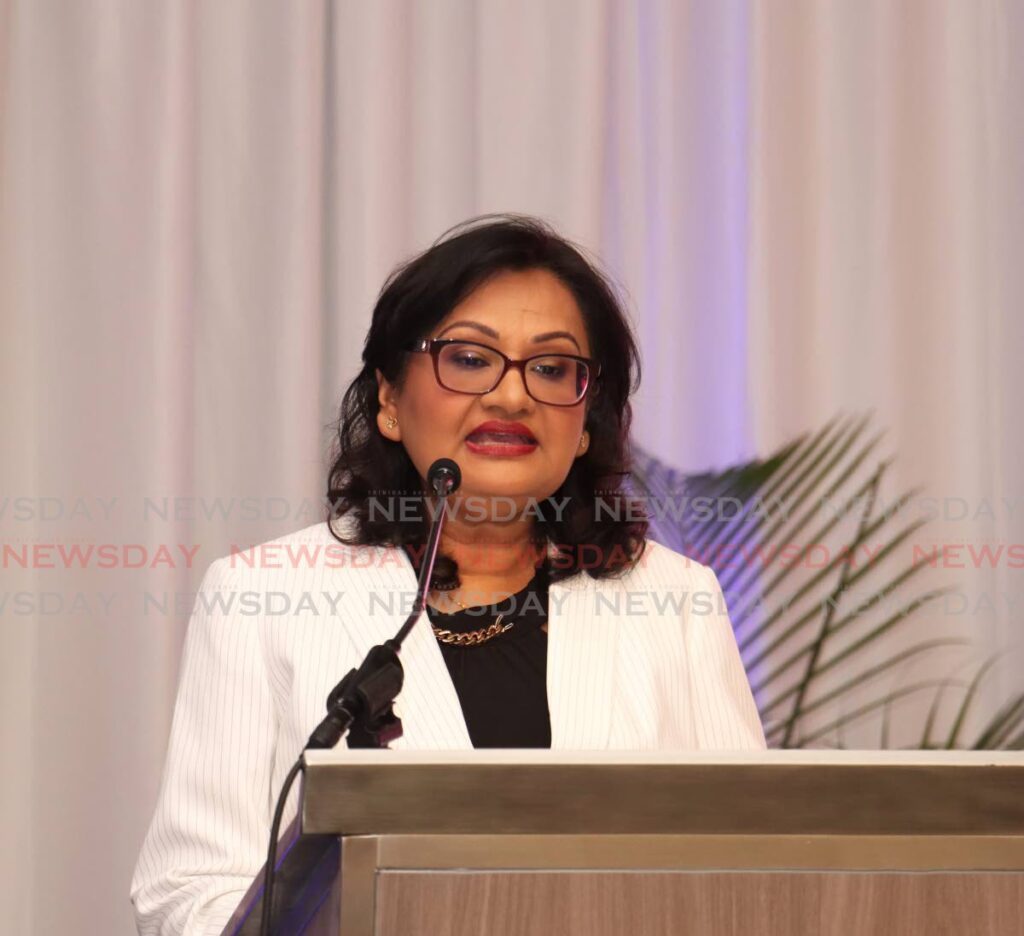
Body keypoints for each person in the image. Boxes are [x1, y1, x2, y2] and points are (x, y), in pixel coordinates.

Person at [130, 215, 765, 935]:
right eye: (469, 358)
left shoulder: (676, 600)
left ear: (586, 422)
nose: (512, 396)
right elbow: (187, 895)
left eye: (552, 368)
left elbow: (756, 874)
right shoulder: (261, 597)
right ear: (392, 403)